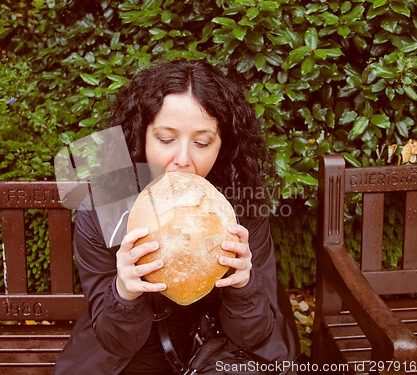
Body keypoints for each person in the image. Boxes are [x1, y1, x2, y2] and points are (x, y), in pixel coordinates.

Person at [52, 59, 299, 375]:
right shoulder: (103, 208)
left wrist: (244, 287)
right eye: (166, 139)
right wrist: (124, 292)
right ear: (141, 135)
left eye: (201, 142)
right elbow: (115, 342)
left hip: (217, 353)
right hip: (133, 360)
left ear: (222, 145)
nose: (182, 160)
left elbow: (253, 335)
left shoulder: (239, 208)